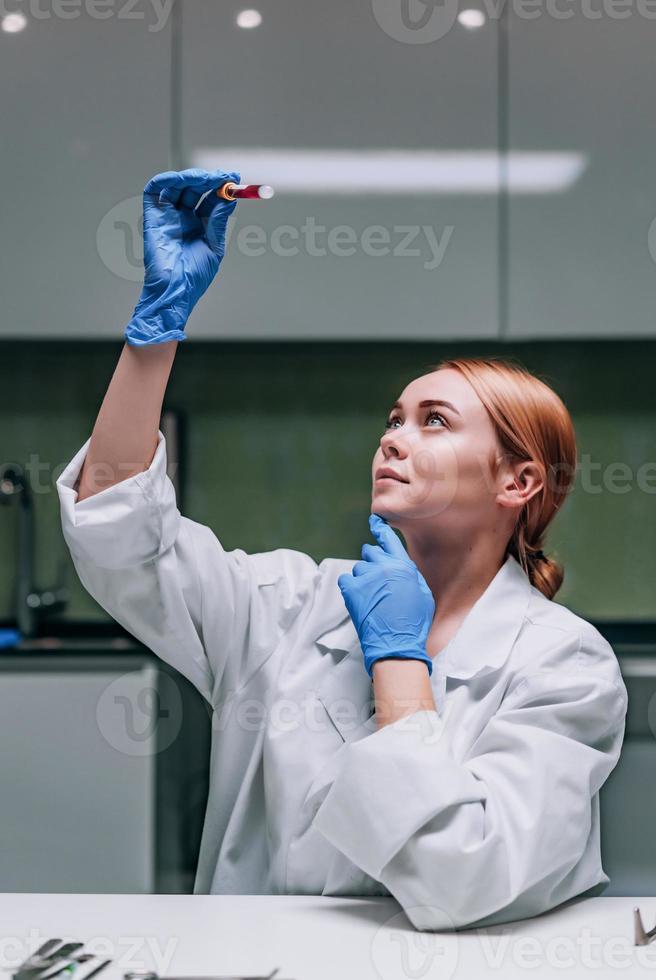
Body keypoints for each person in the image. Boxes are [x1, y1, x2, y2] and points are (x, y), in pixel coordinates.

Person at [56, 169, 628, 931]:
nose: (392, 436)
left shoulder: (564, 666)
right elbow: (118, 530)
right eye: (394, 418)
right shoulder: (288, 606)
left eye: (433, 421)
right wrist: (153, 333)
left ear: (519, 479)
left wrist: (397, 661)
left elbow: (461, 877)